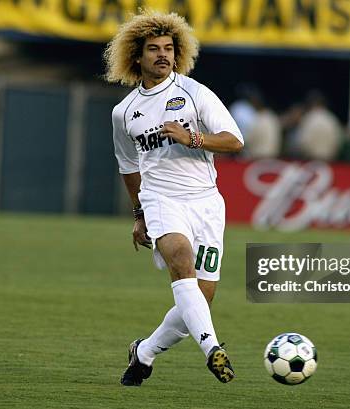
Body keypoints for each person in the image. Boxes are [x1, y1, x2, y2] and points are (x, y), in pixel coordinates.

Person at [104, 10, 244, 386]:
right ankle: (213, 349)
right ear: (137, 57)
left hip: (206, 203)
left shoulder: (195, 93)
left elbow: (234, 140)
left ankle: (144, 352)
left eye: (168, 48)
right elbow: (128, 165)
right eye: (153, 49)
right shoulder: (124, 113)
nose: (162, 55)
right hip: (161, 199)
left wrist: (192, 138)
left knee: (200, 298)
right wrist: (139, 214)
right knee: (181, 260)